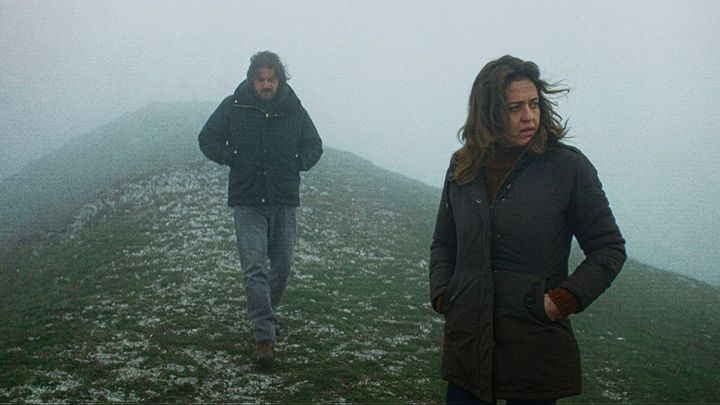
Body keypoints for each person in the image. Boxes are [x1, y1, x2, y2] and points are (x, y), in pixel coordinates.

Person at [429, 55, 626, 404]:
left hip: (534, 347)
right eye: (515, 107)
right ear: (488, 112)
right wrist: (445, 294)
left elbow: (608, 248)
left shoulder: (568, 168)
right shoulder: (463, 167)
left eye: (534, 104)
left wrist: (563, 300)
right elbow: (445, 243)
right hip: (467, 347)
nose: (529, 116)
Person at [198, 51, 323, 368]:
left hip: (283, 199)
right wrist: (230, 157)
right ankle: (264, 338)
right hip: (248, 199)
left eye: (271, 79)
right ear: (252, 79)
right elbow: (207, 138)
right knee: (254, 268)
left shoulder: (294, 109)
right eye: (260, 79)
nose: (265, 85)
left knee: (282, 265)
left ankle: (265, 313)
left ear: (279, 80)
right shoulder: (233, 107)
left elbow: (314, 145)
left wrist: (297, 164)